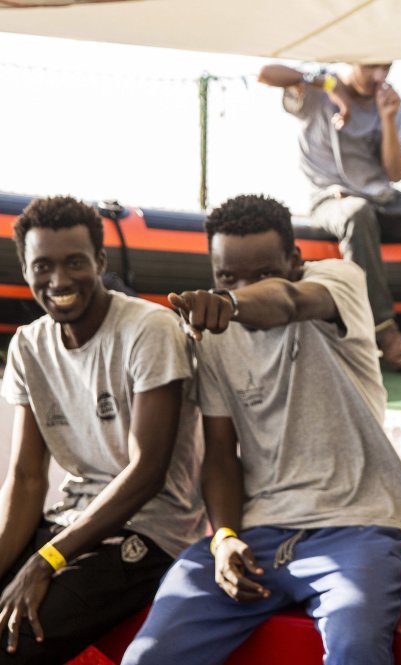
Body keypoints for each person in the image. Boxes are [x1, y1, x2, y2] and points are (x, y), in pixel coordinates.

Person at [121, 194, 401, 665]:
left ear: (296, 261)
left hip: (359, 525)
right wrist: (224, 538)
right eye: (227, 277)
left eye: (262, 273)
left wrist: (232, 301)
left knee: (355, 650)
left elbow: (287, 300)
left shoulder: (337, 281)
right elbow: (220, 453)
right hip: (258, 533)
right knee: (148, 656)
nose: (242, 285)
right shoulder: (213, 339)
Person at [0, 195, 206, 664]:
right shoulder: (29, 347)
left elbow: (147, 472)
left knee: (11, 642)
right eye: (43, 265)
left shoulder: (148, 329)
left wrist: (46, 560)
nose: (59, 280)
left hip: (150, 531)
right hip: (70, 521)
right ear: (25, 269)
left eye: (75, 262)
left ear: (100, 261)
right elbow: (28, 479)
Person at [258, 61, 401, 371]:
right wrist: (329, 85)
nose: (379, 76)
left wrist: (388, 117)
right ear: (350, 60)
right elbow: (266, 74)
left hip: (387, 202)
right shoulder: (317, 90)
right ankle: (384, 332)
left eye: (386, 67)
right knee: (358, 212)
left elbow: (395, 172)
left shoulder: (387, 101)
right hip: (335, 200)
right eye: (371, 67)